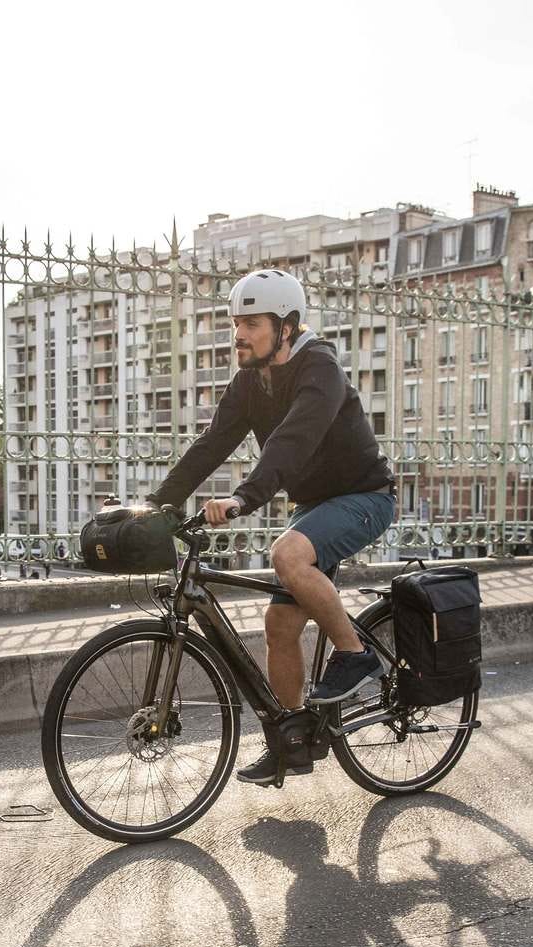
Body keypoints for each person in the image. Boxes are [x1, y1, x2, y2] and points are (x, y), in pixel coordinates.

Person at [145, 268, 396, 785]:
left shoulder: (320, 368)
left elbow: (293, 441)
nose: (239, 333)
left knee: (287, 555)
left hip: (364, 498)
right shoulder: (250, 381)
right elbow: (212, 444)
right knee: (279, 627)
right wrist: (157, 503)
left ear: (287, 326)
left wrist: (244, 497)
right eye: (236, 322)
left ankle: (356, 656)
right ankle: (293, 740)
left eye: (252, 323)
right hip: (315, 508)